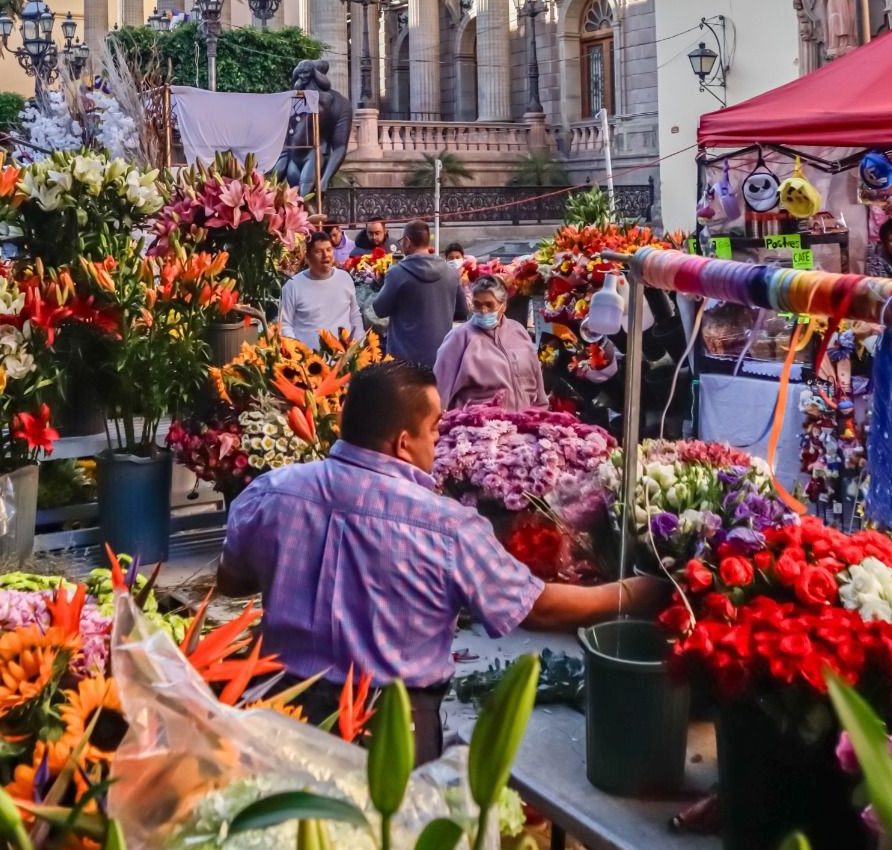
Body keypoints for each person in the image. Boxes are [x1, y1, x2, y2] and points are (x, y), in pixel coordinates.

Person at [217, 360, 662, 761]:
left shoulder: (270, 492)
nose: (438, 439)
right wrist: (638, 591)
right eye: (434, 429)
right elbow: (537, 608)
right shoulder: (445, 526)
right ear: (403, 442)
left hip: (275, 712)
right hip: (388, 730)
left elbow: (232, 581)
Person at [434, 274, 547, 412]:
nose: (483, 311)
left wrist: (542, 410)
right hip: (477, 426)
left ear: (503, 306)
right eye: (477, 304)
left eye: (489, 305)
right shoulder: (459, 338)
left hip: (524, 422)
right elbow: (439, 390)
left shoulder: (519, 332)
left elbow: (536, 378)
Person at [372, 220, 467, 368]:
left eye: (402, 240)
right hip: (440, 357)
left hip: (403, 359)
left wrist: (381, 283)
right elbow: (462, 312)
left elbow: (379, 309)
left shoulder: (397, 273)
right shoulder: (450, 272)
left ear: (407, 241)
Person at [279, 232, 363, 348]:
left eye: (329, 250)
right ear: (307, 256)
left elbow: (354, 316)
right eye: (319, 251)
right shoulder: (293, 286)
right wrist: (296, 352)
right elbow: (284, 324)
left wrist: (360, 345)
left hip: (344, 357)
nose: (326, 255)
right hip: (308, 361)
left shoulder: (345, 278)